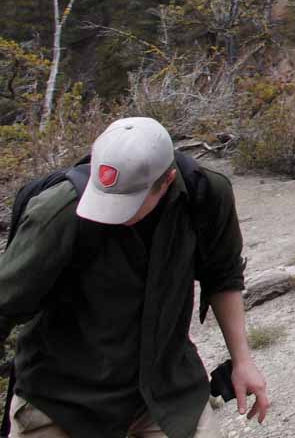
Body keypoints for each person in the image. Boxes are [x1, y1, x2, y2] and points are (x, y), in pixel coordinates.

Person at [0, 116, 269, 437]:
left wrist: (242, 361)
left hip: (165, 391)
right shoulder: (60, 210)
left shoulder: (205, 194)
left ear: (167, 180)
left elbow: (223, 276)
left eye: (126, 202)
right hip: (62, 399)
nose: (109, 212)